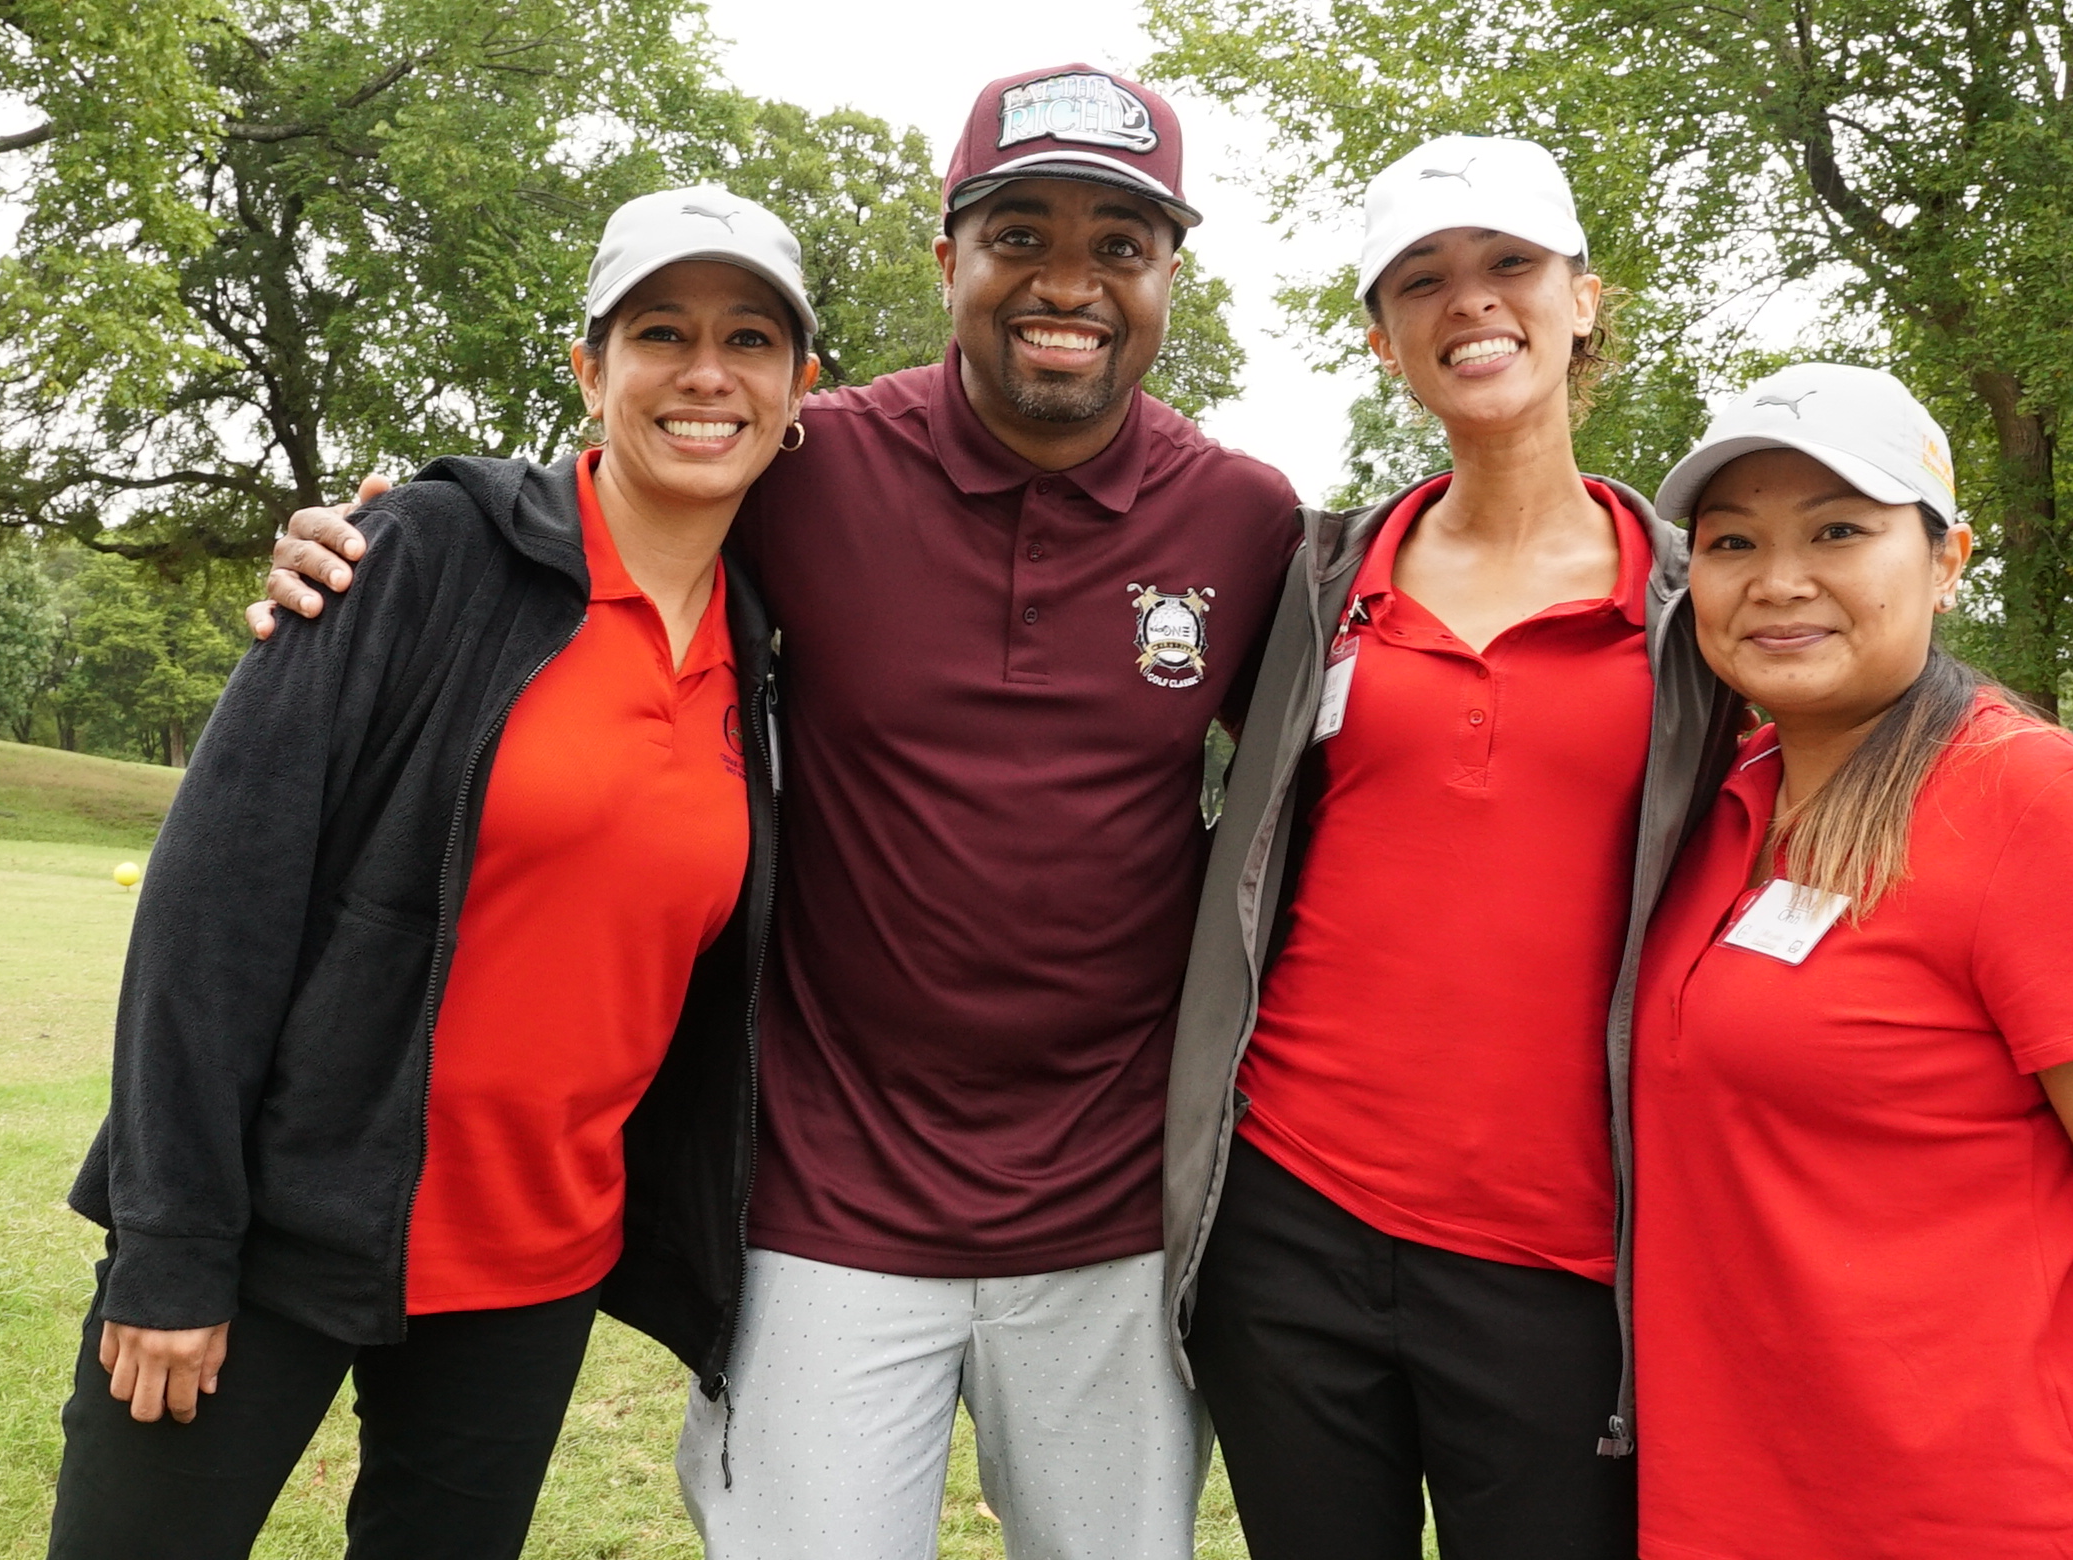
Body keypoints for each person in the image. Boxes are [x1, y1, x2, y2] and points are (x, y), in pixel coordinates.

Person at [253, 66, 1300, 1560]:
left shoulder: (1246, 520)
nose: (1067, 283)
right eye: (1021, 236)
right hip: (824, 1200)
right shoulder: (816, 469)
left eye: (1118, 246)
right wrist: (378, 541)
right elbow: (598, 501)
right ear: (949, 260)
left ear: (1168, 278)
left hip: (1111, 1212)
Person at [46, 185, 818, 1560]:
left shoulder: (772, 656)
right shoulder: (424, 554)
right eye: (662, 332)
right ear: (593, 369)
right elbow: (212, 905)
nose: (708, 374)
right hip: (278, 1225)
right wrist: (171, 1242)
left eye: (751, 339)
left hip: (536, 1266)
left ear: (800, 385)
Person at [1159, 137, 1738, 1559]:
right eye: (1423, 280)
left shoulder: (1701, 605)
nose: (1469, 302)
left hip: (1558, 1258)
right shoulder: (1313, 575)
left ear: (1585, 300)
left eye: (1509, 266)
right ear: (1384, 338)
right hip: (1288, 1226)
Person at [1631, 363, 2073, 1558]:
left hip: (1979, 1518)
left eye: (1838, 531)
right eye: (1730, 542)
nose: (1777, 581)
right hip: (1729, 1512)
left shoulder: (2042, 805)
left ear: (1945, 559)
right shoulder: (1720, 807)